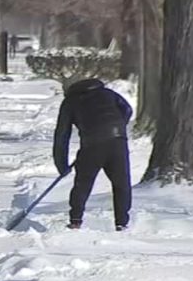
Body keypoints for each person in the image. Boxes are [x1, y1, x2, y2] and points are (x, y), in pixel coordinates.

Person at [52, 78, 133, 231]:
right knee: (121, 183)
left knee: (83, 183)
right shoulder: (108, 94)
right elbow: (127, 110)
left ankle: (76, 220)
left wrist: (62, 165)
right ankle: (122, 223)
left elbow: (62, 135)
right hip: (118, 141)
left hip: (92, 145)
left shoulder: (70, 102)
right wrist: (117, 125)